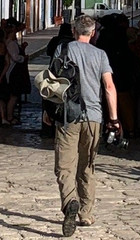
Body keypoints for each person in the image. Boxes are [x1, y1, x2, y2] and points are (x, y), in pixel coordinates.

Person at [52, 15, 119, 237]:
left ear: (73, 31)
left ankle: (70, 201)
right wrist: (114, 119)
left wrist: (47, 112)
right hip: (93, 117)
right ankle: (86, 213)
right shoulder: (100, 55)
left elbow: (51, 84)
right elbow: (109, 87)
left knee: (64, 166)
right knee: (87, 166)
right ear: (93, 33)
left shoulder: (63, 50)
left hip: (68, 116)